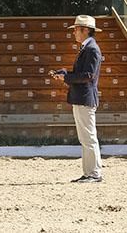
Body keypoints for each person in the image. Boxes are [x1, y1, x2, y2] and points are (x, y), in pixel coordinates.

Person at [50, 14, 104, 183]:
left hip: (85, 98)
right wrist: (64, 73)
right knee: (85, 138)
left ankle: (94, 174)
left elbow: (88, 75)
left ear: (85, 30)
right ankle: (90, 172)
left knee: (88, 137)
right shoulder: (86, 48)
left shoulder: (92, 49)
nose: (74, 33)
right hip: (81, 98)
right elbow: (82, 73)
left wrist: (66, 78)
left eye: (76, 30)